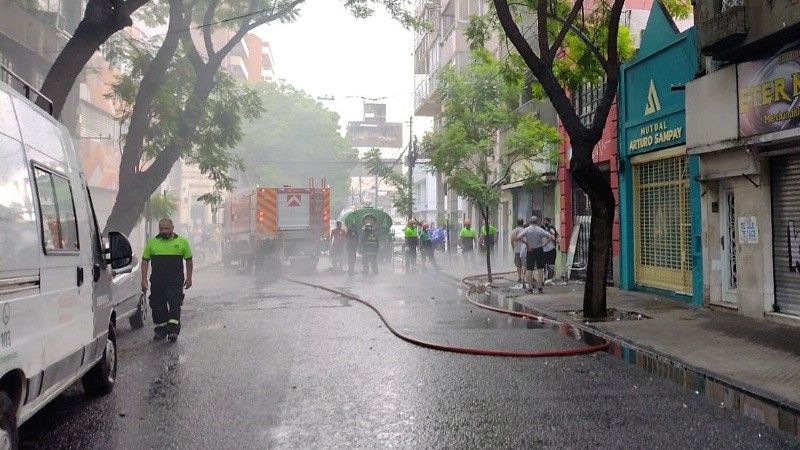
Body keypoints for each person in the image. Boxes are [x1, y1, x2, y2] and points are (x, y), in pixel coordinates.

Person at [141, 218, 193, 342]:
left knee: (175, 304)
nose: (163, 231)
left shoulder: (182, 242)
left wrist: (189, 278)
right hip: (157, 282)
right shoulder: (152, 243)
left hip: (175, 281)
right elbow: (145, 261)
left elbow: (189, 260)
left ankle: (173, 331)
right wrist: (144, 279)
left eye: (166, 229)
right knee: (158, 306)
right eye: (161, 229)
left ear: (172, 228)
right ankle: (161, 331)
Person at [515, 215, 554, 294]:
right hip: (539, 250)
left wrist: (527, 244)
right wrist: (545, 244)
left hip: (531, 250)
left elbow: (518, 237)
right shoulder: (540, 230)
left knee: (529, 269)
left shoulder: (527, 230)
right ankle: (540, 288)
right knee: (540, 269)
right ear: (537, 222)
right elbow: (551, 237)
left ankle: (530, 288)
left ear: (530, 222)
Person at [542, 217, 559, 283]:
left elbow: (554, 237)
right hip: (546, 250)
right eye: (544, 221)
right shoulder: (544, 230)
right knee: (547, 265)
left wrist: (547, 242)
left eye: (546, 221)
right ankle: (548, 277)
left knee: (551, 264)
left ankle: (550, 277)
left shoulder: (550, 228)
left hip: (551, 249)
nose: (544, 223)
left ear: (549, 222)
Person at [510, 218, 527, 284]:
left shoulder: (514, 231)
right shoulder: (525, 230)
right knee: (524, 264)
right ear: (523, 223)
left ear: (517, 223)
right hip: (524, 249)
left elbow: (512, 241)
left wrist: (513, 248)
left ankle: (519, 277)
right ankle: (523, 277)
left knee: (518, 264)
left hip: (517, 249)